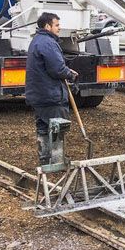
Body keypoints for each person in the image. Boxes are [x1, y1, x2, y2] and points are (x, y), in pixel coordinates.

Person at [25, 12, 78, 166]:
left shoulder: (37, 40)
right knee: (57, 127)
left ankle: (45, 158)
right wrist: (70, 74)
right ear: (47, 26)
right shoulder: (48, 43)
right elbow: (57, 69)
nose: (59, 28)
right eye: (57, 25)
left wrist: (64, 70)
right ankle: (56, 161)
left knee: (43, 126)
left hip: (39, 94)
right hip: (50, 94)